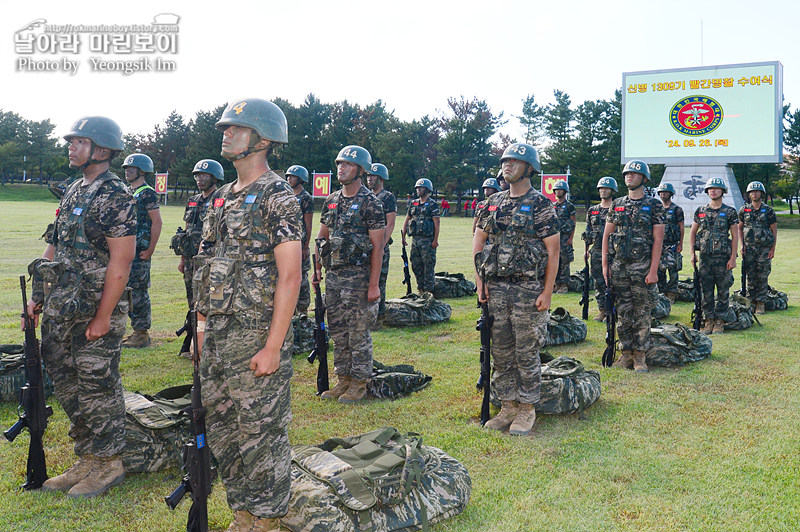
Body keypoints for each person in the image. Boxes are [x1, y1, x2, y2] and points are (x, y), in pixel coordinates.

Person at [195, 98, 302, 530]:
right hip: (219, 332)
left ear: (262, 139)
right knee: (223, 427)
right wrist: (201, 328)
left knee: (262, 431)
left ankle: (268, 519)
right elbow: (207, 264)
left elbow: (290, 276)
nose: (225, 134)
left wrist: (273, 345)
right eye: (225, 128)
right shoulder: (220, 198)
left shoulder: (278, 196)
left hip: (256, 332)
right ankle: (243, 513)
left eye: (236, 129)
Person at [27, 116, 135, 498]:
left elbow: (122, 262)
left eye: (80, 141)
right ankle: (87, 458)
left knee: (97, 385)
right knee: (68, 383)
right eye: (71, 141)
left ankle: (109, 463)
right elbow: (53, 246)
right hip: (63, 307)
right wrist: (38, 295)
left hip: (93, 310)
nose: (71, 146)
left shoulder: (116, 195)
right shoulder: (74, 189)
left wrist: (104, 317)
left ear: (102, 150)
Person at [473, 142, 559, 436]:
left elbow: (553, 251)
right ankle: (507, 405)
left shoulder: (541, 205)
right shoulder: (492, 202)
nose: (507, 165)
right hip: (496, 288)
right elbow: (479, 239)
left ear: (529, 167)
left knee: (526, 350)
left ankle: (527, 408)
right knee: (501, 349)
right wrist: (479, 280)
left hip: (527, 289)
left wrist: (547, 292)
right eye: (505, 160)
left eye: (515, 161)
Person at [315, 145, 385, 403]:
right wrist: (317, 270)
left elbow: (378, 248)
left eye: (347, 164)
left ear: (360, 170)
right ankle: (343, 378)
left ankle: (359, 382)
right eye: (339, 164)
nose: (341, 169)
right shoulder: (331, 200)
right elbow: (322, 237)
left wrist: (374, 285)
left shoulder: (370, 203)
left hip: (358, 279)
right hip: (334, 277)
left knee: (358, 331)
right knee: (337, 329)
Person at [602, 160, 665, 372]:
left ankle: (640, 355)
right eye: (627, 173)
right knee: (623, 310)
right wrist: (605, 265)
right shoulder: (617, 203)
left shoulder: (654, 204)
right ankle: (625, 352)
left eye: (635, 174)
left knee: (642, 312)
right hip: (619, 267)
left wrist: (654, 270)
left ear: (644, 178)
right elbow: (607, 235)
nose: (630, 176)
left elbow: (658, 240)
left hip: (643, 267)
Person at [175, 158, 224, 358]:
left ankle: (206, 344)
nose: (199, 179)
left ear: (214, 177)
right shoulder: (193, 200)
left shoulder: (221, 199)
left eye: (204, 175)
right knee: (192, 301)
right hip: (191, 259)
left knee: (209, 301)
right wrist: (183, 259)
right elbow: (187, 229)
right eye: (197, 175)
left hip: (210, 260)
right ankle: (194, 340)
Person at [120, 153, 162, 348]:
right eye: (126, 168)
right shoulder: (129, 191)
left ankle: (141, 333)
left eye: (131, 168)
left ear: (142, 170)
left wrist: (150, 250)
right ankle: (134, 330)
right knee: (125, 290)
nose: (127, 171)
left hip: (140, 251)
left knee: (138, 291)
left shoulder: (147, 193)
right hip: (126, 250)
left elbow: (157, 222)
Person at [689, 177, 739, 334]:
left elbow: (735, 236)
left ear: (723, 191)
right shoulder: (701, 211)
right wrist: (692, 252)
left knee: (723, 290)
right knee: (706, 291)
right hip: (705, 259)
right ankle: (708, 320)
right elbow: (693, 232)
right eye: (710, 188)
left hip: (723, 259)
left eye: (717, 188)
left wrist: (732, 259)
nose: (713, 191)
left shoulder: (729, 212)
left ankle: (720, 321)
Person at [738, 181, 777, 315]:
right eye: (752, 192)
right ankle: (751, 301)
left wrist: (772, 249)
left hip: (764, 248)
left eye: (757, 191)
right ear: (749, 194)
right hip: (749, 248)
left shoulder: (769, 210)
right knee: (750, 274)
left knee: (763, 274)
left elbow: (774, 230)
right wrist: (742, 245)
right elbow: (740, 227)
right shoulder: (744, 210)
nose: (754, 193)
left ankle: (760, 303)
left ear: (761, 193)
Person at [582, 176, 616, 321]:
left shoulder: (617, 208)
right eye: (601, 188)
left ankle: (613, 311)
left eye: (606, 188)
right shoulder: (593, 210)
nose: (603, 190)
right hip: (596, 251)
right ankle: (602, 310)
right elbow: (587, 231)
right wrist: (585, 250)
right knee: (598, 282)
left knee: (614, 282)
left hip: (613, 251)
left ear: (612, 190)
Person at [366, 162, 396, 319]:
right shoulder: (366, 196)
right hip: (365, 246)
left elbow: (390, 223)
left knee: (380, 280)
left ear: (381, 178)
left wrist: (381, 245)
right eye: (369, 175)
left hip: (380, 246)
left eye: (373, 176)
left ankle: (379, 314)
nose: (370, 179)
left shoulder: (387, 197)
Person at [401, 178, 441, 294]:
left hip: (428, 241)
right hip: (415, 240)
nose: (418, 190)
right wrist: (403, 236)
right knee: (416, 265)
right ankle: (420, 288)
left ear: (428, 190)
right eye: (417, 187)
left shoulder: (433, 205)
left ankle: (428, 291)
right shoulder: (413, 203)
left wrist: (435, 240)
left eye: (421, 188)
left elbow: (436, 223)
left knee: (428, 266)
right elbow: (407, 219)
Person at [286, 164, 314, 315]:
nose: (290, 179)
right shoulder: (287, 196)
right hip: (287, 245)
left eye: (293, 176)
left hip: (300, 244)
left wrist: (305, 246)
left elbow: (308, 225)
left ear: (301, 179)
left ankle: (302, 309)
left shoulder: (305, 198)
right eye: (288, 176)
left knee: (302, 278)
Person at [655, 182, 685, 303]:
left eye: (666, 192)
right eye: (661, 192)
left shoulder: (677, 209)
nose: (663, 194)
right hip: (658, 245)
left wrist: (680, 243)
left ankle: (672, 292)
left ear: (671, 194)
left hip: (671, 244)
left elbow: (681, 227)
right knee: (659, 270)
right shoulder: (656, 208)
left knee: (673, 269)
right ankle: (661, 291)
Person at [552, 180, 576, 294]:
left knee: (565, 262)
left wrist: (570, 238)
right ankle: (556, 283)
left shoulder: (569, 206)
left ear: (565, 191)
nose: (558, 191)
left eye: (560, 189)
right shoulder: (552, 206)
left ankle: (564, 285)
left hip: (565, 239)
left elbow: (573, 223)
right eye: (556, 189)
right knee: (554, 260)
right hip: (554, 239)